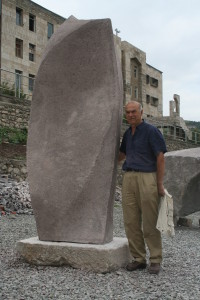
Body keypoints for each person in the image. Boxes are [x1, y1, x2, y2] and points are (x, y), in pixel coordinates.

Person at [118, 101, 167, 274]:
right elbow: (122, 154)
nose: (131, 115)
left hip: (148, 177)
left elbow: (160, 157)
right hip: (129, 177)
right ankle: (138, 258)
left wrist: (159, 184)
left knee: (149, 220)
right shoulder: (127, 133)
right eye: (128, 112)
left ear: (141, 112)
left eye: (134, 111)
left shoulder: (151, 131)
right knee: (130, 221)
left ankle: (155, 259)